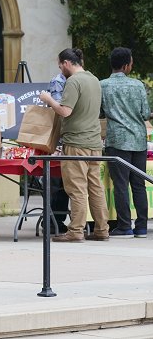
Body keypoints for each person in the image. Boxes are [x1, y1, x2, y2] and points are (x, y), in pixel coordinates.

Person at [39, 48, 110, 242]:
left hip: (76, 142)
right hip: (94, 142)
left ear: (67, 63)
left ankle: (76, 230)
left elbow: (65, 111)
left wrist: (48, 100)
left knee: (76, 188)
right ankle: (102, 229)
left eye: (61, 65)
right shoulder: (94, 80)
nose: (61, 68)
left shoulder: (73, 82)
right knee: (95, 187)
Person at [100, 47, 151, 238]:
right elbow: (145, 114)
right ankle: (142, 227)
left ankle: (124, 226)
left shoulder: (102, 85)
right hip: (138, 140)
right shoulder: (137, 85)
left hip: (117, 140)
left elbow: (100, 112)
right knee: (138, 184)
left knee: (120, 185)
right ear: (126, 65)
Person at [47, 71, 70, 233]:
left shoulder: (77, 80)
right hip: (57, 139)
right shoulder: (58, 81)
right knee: (55, 183)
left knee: (65, 184)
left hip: (68, 138)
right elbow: (59, 108)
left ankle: (58, 220)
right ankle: (51, 221)